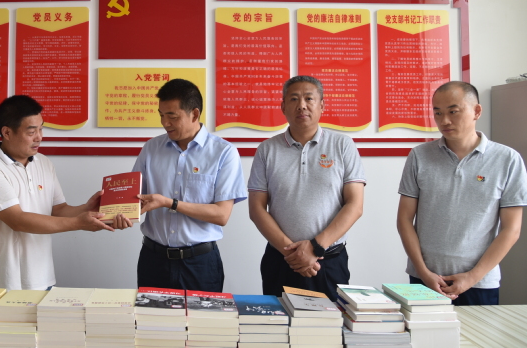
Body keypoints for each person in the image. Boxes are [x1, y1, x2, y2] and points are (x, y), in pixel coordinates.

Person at [396, 81, 527, 305]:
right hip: (425, 279)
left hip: (480, 282)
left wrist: (471, 277)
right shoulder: (419, 156)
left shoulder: (507, 159)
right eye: (437, 113)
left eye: (453, 112)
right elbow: (404, 219)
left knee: (479, 330)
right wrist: (423, 272)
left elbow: (512, 229)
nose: (444, 121)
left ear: (476, 111)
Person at [113, 79, 247, 292]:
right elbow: (134, 198)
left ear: (194, 114)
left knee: (200, 315)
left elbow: (221, 215)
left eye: (172, 116)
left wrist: (170, 203)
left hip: (200, 264)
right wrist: (116, 212)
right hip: (153, 260)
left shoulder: (223, 152)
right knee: (149, 315)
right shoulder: (151, 148)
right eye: (161, 115)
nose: (165, 123)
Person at [0, 95, 112, 290]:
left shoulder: (43, 162)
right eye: (31, 132)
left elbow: (58, 209)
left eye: (41, 129)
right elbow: (17, 220)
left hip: (43, 278)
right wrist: (79, 223)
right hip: (4, 282)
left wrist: (87, 208)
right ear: (7, 132)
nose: (39, 137)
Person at [248, 76, 366, 301]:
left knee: (331, 322)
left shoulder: (343, 145)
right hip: (281, 260)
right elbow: (256, 209)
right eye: (294, 99)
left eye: (309, 99)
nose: (301, 105)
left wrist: (314, 248)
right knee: (279, 321)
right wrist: (293, 254)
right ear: (283, 107)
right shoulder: (266, 150)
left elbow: (355, 205)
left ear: (322, 105)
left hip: (328, 261)